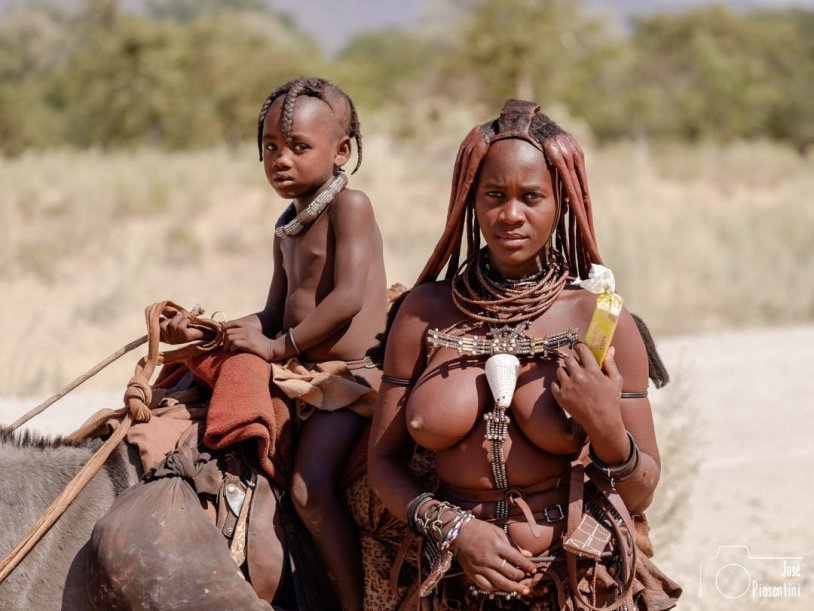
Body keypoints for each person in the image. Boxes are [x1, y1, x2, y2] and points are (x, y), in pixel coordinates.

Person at [368, 99, 681, 609]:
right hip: (449, 583)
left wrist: (604, 427)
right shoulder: (423, 313)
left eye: (531, 197)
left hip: (573, 584)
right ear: (471, 200)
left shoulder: (601, 320)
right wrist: (456, 532)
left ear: (562, 203)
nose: (510, 214)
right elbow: (382, 462)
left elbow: (641, 491)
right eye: (494, 195)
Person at [162, 76, 386, 611]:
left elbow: (349, 299)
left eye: (298, 147)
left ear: (342, 152)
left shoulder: (349, 206)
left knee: (309, 490)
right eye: (269, 147)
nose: (280, 160)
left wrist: (278, 349)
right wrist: (204, 333)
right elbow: (272, 311)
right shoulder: (287, 225)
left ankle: (354, 605)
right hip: (300, 367)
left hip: (347, 377)